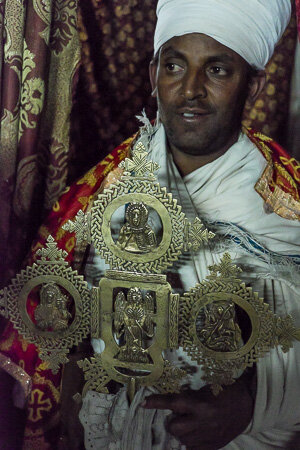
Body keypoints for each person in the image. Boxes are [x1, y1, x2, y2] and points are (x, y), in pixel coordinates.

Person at [0, 0, 300, 448]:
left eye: (217, 71)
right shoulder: (105, 188)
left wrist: (249, 405)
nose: (191, 89)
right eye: (176, 66)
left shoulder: (284, 205)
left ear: (253, 87)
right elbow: (57, 333)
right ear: (154, 75)